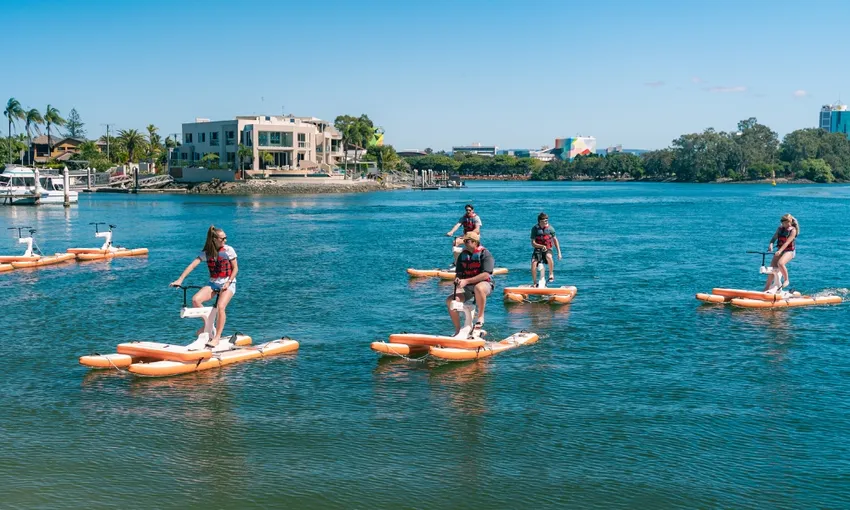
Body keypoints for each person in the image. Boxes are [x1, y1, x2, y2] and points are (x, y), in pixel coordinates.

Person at [170, 226, 238, 348]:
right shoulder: (206, 253)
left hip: (229, 283)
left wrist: (228, 282)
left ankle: (217, 338)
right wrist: (180, 280)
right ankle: (209, 326)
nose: (225, 240)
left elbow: (235, 269)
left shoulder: (229, 250)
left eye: (225, 238)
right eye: (222, 238)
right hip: (213, 283)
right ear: (214, 240)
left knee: (220, 307)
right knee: (196, 300)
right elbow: (192, 266)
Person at [445, 231, 494, 336]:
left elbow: (486, 274)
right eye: (464, 241)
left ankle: (480, 317)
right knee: (450, 301)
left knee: (478, 288)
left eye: (467, 241)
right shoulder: (462, 256)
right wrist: (458, 280)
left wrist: (466, 281)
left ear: (475, 242)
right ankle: (458, 330)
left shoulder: (485, 254)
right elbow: (458, 274)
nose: (465, 243)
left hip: (485, 285)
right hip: (468, 289)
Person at [763, 214, 798, 291]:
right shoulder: (780, 229)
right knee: (772, 268)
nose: (783, 225)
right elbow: (774, 238)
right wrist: (771, 244)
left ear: (789, 222)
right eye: (782, 223)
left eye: (785, 223)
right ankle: (767, 288)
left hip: (789, 251)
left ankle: (786, 280)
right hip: (780, 250)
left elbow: (787, 243)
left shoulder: (793, 230)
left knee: (780, 263)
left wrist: (779, 251)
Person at [445, 204, 482, 269]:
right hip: (466, 236)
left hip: (474, 237)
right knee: (455, 242)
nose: (468, 211)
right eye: (467, 210)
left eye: (469, 210)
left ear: (472, 210)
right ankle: (456, 263)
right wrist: (451, 232)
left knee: (471, 248)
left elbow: (477, 230)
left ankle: (476, 263)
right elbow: (457, 225)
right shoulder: (464, 218)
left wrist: (468, 235)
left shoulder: (476, 218)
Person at [530, 212, 562, 284]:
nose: (546, 222)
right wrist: (541, 246)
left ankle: (551, 274)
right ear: (540, 221)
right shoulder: (535, 229)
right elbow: (533, 243)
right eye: (544, 221)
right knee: (533, 263)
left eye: (547, 220)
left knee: (549, 256)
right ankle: (534, 282)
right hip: (538, 248)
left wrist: (559, 253)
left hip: (548, 248)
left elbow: (555, 240)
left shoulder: (550, 228)